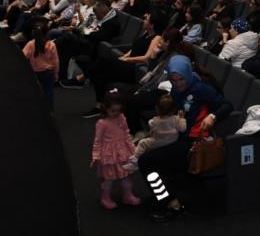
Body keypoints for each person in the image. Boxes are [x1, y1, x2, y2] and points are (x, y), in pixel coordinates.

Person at [138, 55, 233, 221]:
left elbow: (227, 105)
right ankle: (166, 195)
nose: (178, 84)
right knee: (151, 157)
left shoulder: (201, 88)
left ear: (188, 74)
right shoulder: (176, 90)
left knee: (146, 161)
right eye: (173, 80)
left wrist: (212, 116)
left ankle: (169, 202)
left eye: (181, 79)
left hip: (192, 141)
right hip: (177, 136)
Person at [90, 91, 142, 209]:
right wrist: (96, 156)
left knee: (125, 175)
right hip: (109, 155)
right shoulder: (102, 123)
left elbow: (126, 132)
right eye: (112, 111)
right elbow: (97, 141)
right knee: (109, 178)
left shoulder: (121, 117)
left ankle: (128, 195)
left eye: (118, 111)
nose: (115, 113)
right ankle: (105, 197)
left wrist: (132, 148)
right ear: (105, 108)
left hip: (123, 151)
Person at [129, 94, 186, 167]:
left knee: (142, 142)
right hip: (173, 140)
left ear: (157, 109)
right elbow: (183, 129)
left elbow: (152, 133)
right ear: (174, 109)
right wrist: (182, 118)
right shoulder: (176, 119)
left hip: (159, 141)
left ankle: (135, 159)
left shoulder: (153, 121)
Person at [22, 22, 60, 110]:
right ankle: (49, 112)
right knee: (48, 92)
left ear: (33, 33)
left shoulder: (30, 44)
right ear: (47, 32)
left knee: (35, 92)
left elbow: (23, 56)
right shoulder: (51, 44)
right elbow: (56, 61)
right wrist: (56, 74)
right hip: (48, 72)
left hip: (35, 72)